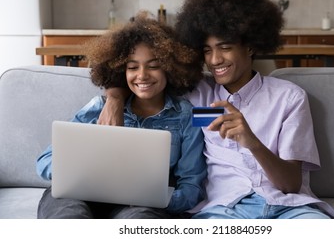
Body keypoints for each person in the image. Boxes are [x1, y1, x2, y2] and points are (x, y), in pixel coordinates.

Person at [99, 0, 334, 219]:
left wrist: (253, 143)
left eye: (225, 47)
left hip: (288, 209)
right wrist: (114, 97)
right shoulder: (196, 94)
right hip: (222, 211)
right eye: (206, 50)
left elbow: (290, 184)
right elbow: (142, 79)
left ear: (251, 46)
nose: (214, 60)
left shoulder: (288, 98)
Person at [36, 13, 207, 219]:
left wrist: (159, 199)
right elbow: (44, 161)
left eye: (153, 66)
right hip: (84, 196)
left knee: (140, 220)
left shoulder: (186, 115)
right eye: (132, 67)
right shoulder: (101, 106)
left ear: (170, 69)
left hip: (138, 206)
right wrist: (74, 173)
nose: (142, 75)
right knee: (64, 212)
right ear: (120, 71)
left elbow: (192, 186)